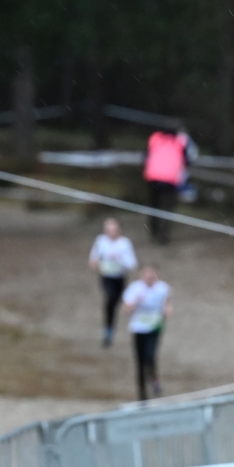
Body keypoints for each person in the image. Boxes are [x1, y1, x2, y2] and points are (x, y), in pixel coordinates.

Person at [122, 264, 172, 400]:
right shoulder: (135, 289)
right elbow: (126, 309)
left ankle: (154, 379)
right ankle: (142, 392)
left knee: (150, 355)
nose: (149, 277)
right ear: (142, 275)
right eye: (147, 274)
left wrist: (167, 310)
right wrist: (135, 302)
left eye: (152, 274)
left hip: (155, 326)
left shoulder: (162, 288)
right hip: (138, 328)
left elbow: (167, 303)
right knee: (140, 361)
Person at [88, 217, 139, 347]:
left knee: (123, 302)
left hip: (120, 277)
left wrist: (119, 258)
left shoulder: (125, 243)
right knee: (110, 299)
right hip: (106, 277)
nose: (111, 233)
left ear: (119, 230)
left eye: (113, 230)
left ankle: (136, 329)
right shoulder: (100, 241)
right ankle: (108, 331)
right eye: (108, 230)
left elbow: (132, 264)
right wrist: (96, 263)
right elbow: (93, 259)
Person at [142, 123, 196, 243]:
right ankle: (163, 234)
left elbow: (146, 155)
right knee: (167, 208)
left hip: (153, 177)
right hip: (170, 179)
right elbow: (188, 160)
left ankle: (153, 230)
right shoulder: (180, 141)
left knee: (154, 205)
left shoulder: (155, 138)